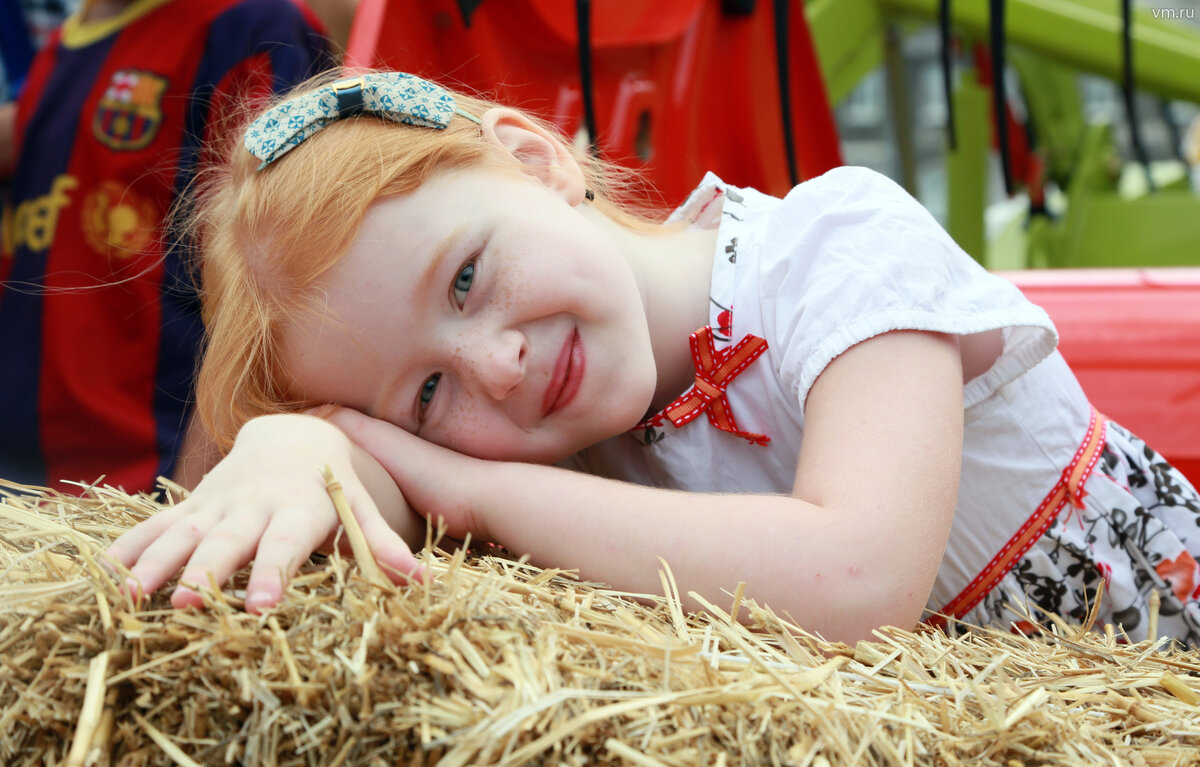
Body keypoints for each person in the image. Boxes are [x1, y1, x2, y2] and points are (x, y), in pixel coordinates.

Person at [107, 71, 1200, 645]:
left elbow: (859, 577)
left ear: (535, 162)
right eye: (424, 394)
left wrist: (461, 477)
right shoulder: (564, 444)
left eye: (466, 277)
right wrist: (293, 448)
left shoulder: (835, 248)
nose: (496, 365)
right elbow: (354, 501)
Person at [0, 0, 333, 493]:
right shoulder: (61, 44)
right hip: (26, 488)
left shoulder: (251, 27)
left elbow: (277, 293)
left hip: (147, 484)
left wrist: (189, 494)